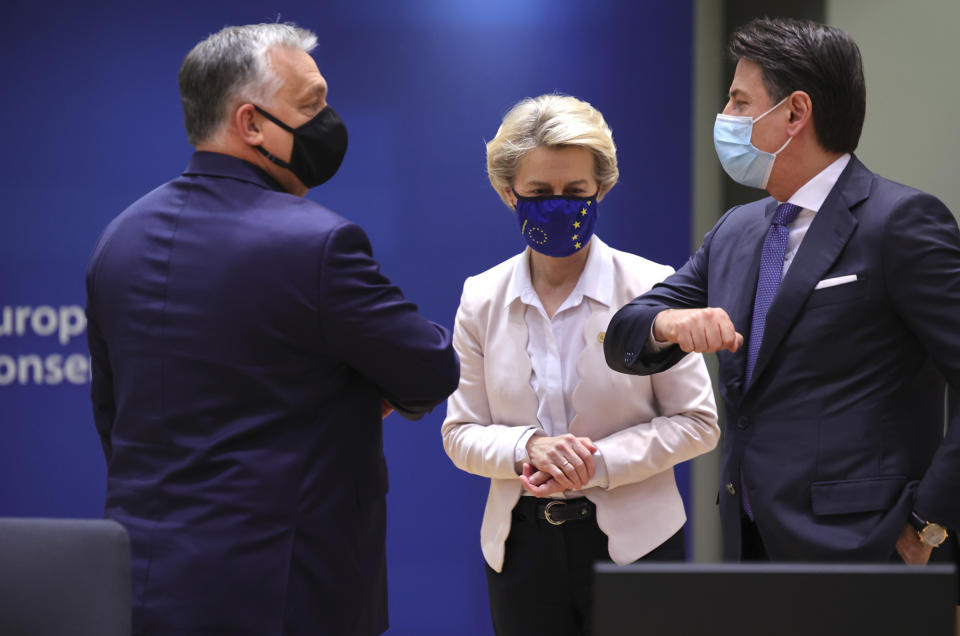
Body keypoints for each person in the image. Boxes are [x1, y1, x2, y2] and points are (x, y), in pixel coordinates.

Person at [85, 23, 459, 636]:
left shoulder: (118, 238)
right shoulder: (319, 242)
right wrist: (368, 387)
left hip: (146, 584)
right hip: (288, 592)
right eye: (311, 106)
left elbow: (113, 415)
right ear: (251, 123)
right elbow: (430, 367)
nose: (329, 122)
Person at [604, 17, 960, 578]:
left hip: (868, 548)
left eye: (740, 101)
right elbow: (627, 329)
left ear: (795, 113)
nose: (725, 117)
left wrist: (931, 523)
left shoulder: (901, 222)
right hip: (749, 542)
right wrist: (669, 325)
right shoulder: (736, 230)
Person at [441, 94, 719, 636]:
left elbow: (698, 423)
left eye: (576, 192)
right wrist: (528, 447)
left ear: (602, 189)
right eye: (539, 193)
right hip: (521, 551)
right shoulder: (481, 297)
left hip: (637, 547)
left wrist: (597, 462)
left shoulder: (650, 288)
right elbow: (460, 433)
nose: (559, 205)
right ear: (508, 194)